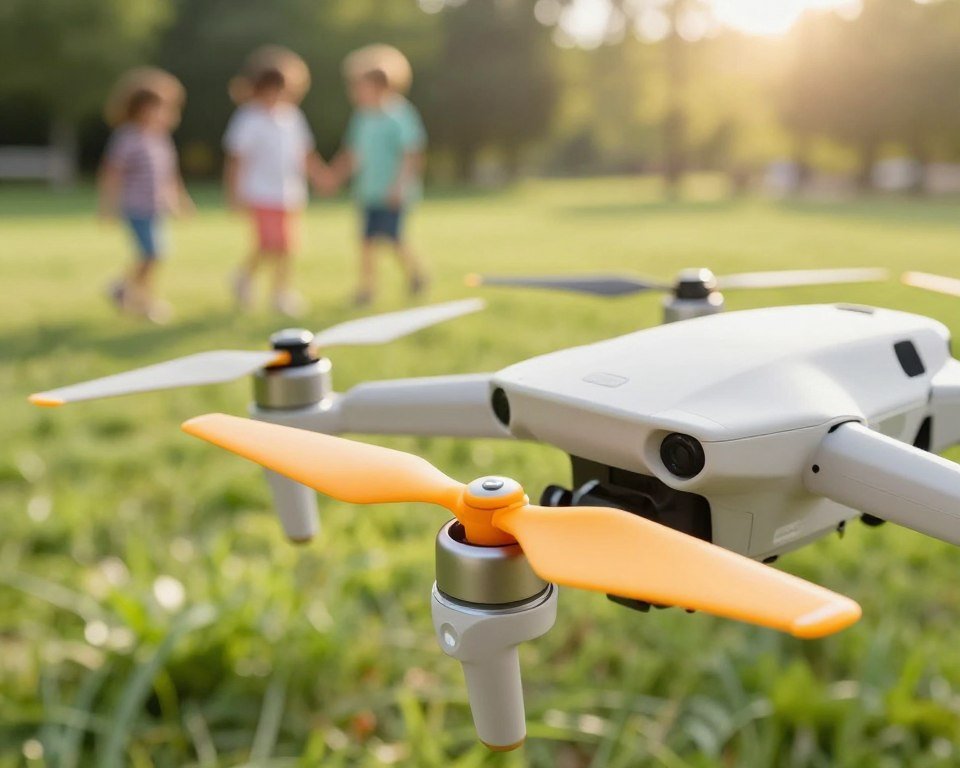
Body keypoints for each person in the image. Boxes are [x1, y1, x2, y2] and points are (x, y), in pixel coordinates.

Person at [224, 51, 326, 317]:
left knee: (287, 246)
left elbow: (304, 154)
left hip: (289, 193)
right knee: (269, 243)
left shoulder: (292, 117)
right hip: (259, 192)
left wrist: (320, 176)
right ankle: (245, 278)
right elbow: (236, 159)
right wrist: (233, 193)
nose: (275, 97)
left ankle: (280, 292)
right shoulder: (248, 118)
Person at [326, 46, 428, 306]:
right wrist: (334, 177)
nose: (356, 93)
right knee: (366, 242)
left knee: (394, 240)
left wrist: (399, 186)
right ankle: (367, 289)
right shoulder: (362, 117)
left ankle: (416, 275)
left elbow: (410, 153)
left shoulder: (399, 114)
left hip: (392, 192)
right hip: (369, 191)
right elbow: (352, 153)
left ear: (381, 86)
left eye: (362, 87)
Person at [99, 68, 192, 324]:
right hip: (136, 206)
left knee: (152, 256)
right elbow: (112, 173)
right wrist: (107, 205)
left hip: (156, 207)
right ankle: (141, 298)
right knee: (152, 254)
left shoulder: (159, 138)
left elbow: (170, 175)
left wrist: (179, 201)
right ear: (138, 108)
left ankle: (125, 290)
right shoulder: (128, 138)